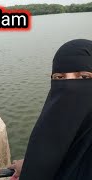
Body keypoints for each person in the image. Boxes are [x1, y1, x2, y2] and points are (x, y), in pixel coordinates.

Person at [9, 39, 92, 180]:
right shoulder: (56, 124)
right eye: (59, 77)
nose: (69, 85)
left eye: (83, 77)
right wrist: (32, 164)